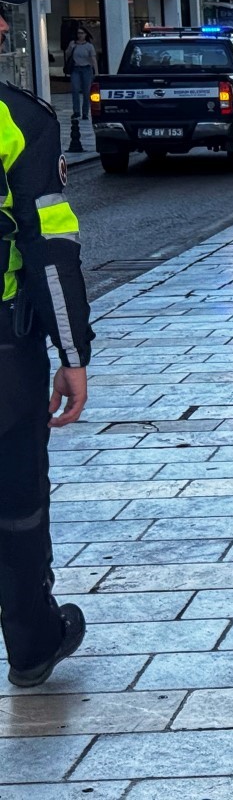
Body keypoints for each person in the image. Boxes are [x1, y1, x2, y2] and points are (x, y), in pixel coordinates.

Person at [0, 79, 93, 688]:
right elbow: (48, 244)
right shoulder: (16, 118)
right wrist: (73, 352)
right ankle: (32, 643)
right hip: (4, 352)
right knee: (16, 503)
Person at [65, 29, 97, 123]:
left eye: (82, 33)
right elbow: (67, 55)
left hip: (86, 69)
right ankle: (76, 111)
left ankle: (85, 113)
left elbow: (93, 59)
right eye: (78, 33)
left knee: (86, 91)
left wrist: (96, 72)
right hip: (75, 69)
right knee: (75, 90)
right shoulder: (73, 43)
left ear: (86, 34)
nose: (80, 35)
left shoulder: (89, 46)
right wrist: (71, 48)